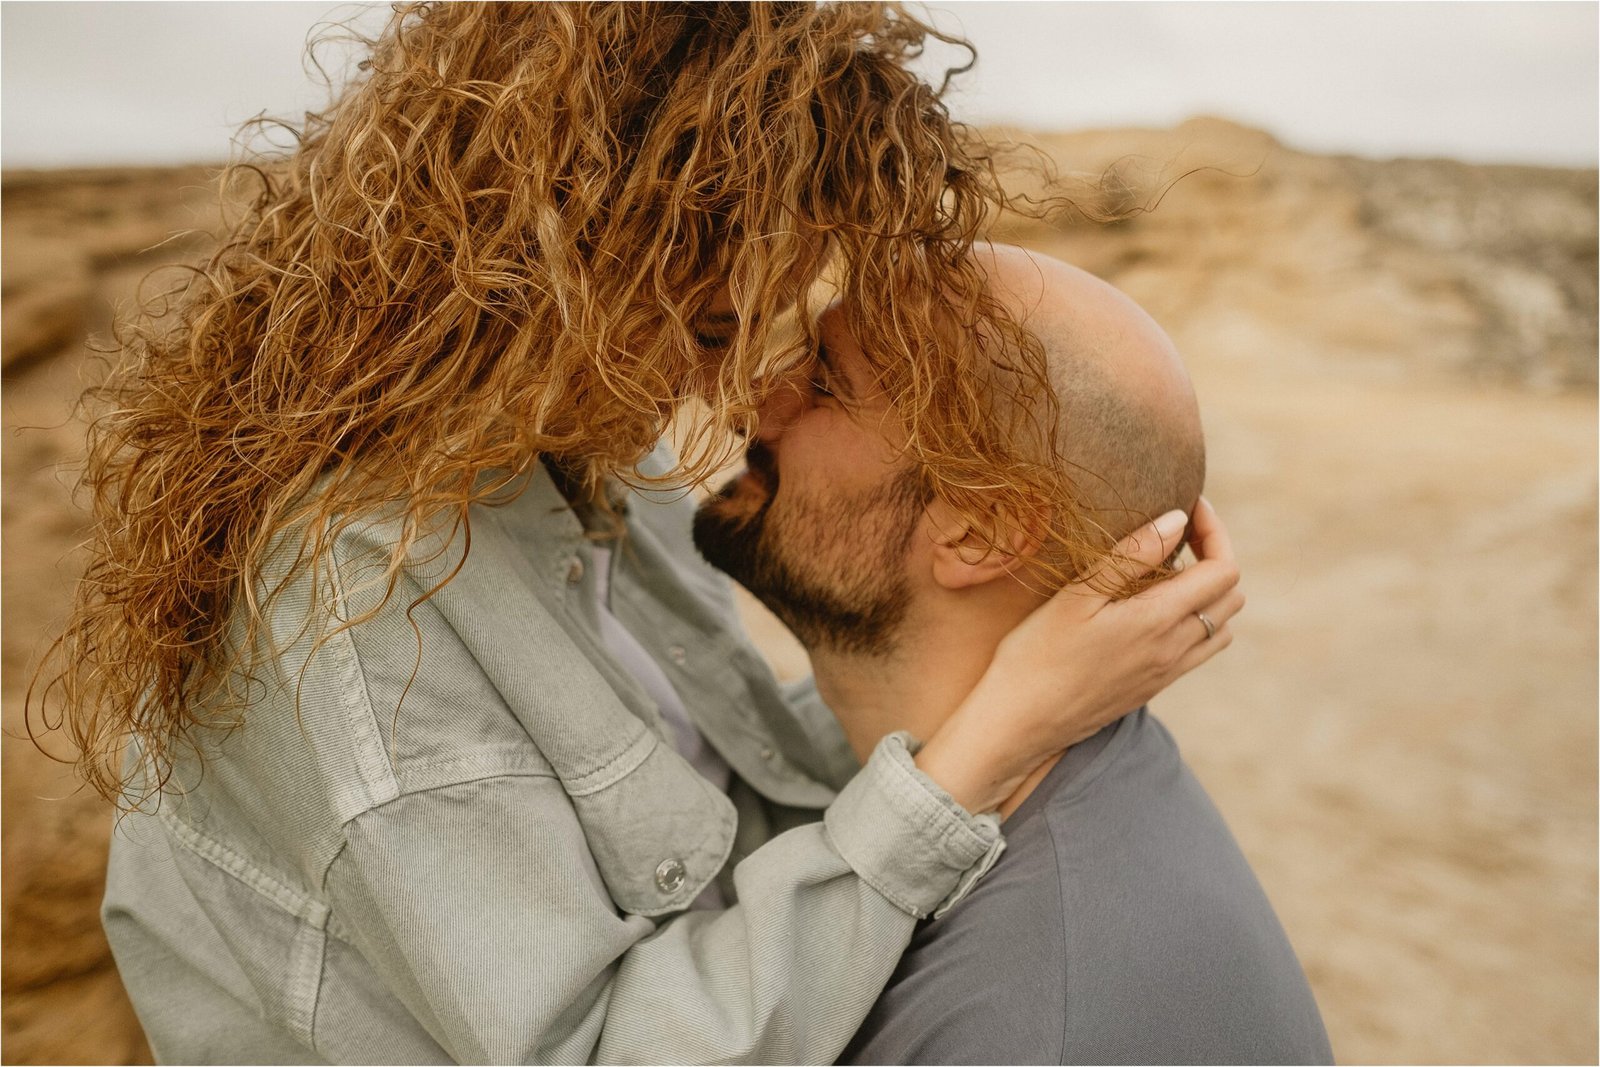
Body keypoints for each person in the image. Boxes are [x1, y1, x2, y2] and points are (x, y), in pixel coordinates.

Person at [35, 6, 1242, 1063]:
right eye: (710, 325)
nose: (732, 389)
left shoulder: (598, 467)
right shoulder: (357, 600)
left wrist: (1027, 660)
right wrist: (983, 746)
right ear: (557, 282)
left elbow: (740, 778)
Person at [693, 244, 1330, 1065]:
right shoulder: (1085, 805)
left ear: (981, 529)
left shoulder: (1022, 1016)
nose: (754, 405)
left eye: (824, 384)